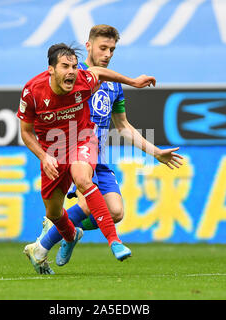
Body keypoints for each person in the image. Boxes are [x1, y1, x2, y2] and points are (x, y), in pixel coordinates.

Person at [34, 25, 184, 269]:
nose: (107, 54)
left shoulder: (114, 86)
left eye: (112, 49)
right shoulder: (72, 74)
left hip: (97, 156)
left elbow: (123, 126)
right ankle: (42, 246)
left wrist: (156, 152)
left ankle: (63, 229)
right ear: (88, 46)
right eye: (102, 48)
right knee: (86, 202)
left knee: (115, 211)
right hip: (73, 151)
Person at [18, 42, 156, 274]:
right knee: (53, 213)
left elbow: (98, 73)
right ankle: (69, 237)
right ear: (51, 69)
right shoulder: (32, 91)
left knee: (83, 179)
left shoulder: (83, 79)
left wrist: (132, 82)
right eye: (65, 66)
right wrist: (43, 156)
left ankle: (115, 241)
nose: (72, 71)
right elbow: (26, 132)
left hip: (82, 138)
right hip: (53, 150)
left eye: (74, 66)